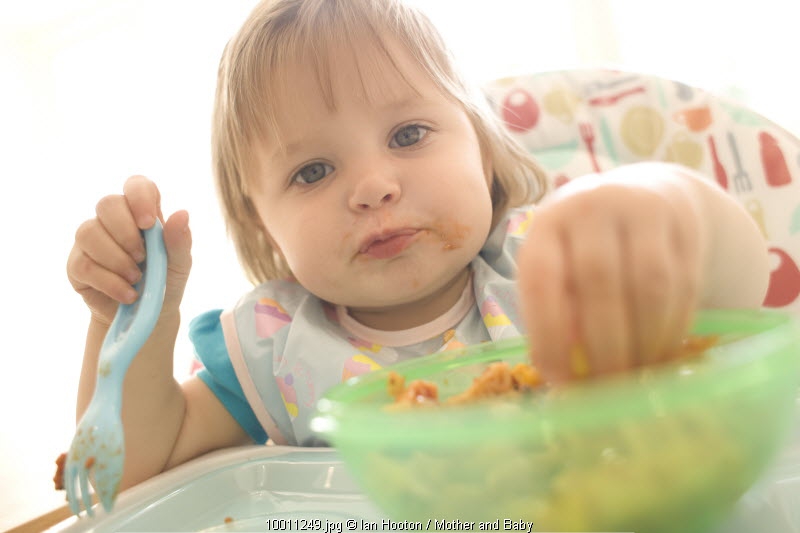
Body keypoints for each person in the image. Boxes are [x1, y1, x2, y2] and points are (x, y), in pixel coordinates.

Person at [66, 0, 768, 489]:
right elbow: (129, 472)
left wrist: (661, 208)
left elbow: (740, 287)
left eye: (408, 135)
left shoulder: (551, 260)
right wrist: (127, 318)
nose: (371, 186)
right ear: (260, 225)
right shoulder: (275, 347)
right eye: (312, 171)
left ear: (485, 152)